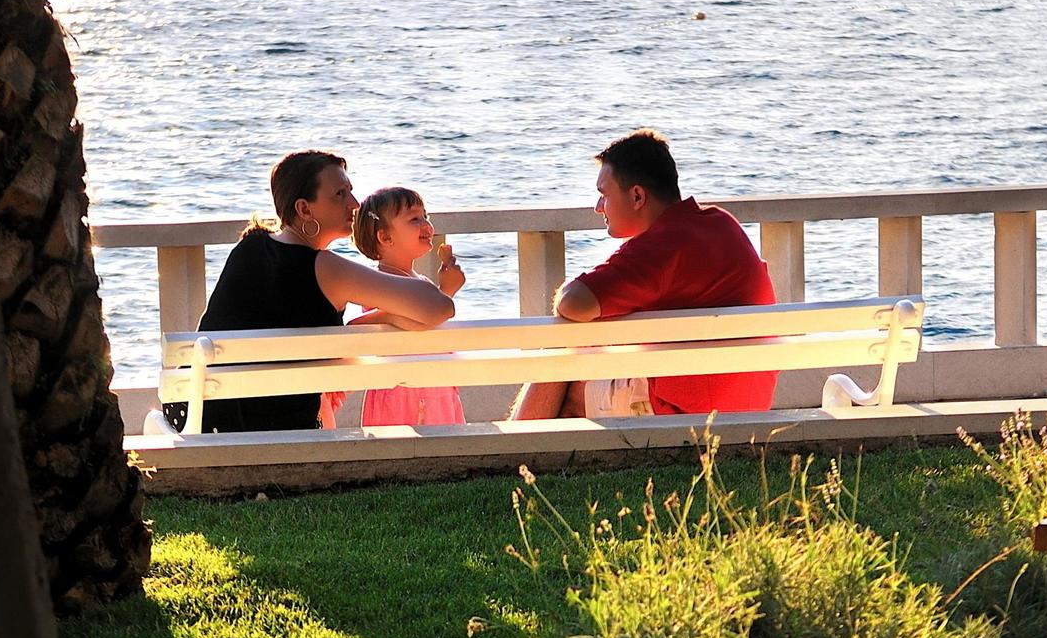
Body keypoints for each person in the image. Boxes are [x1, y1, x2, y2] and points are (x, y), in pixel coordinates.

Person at [510, 129, 778, 423]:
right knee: (590, 355)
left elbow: (574, 303)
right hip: (748, 397)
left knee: (569, 354)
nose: (598, 207)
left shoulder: (663, 244)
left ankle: (515, 450)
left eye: (604, 195)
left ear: (637, 196)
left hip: (694, 409)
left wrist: (563, 292)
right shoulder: (720, 222)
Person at [191, 150, 455, 433]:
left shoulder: (249, 246)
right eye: (340, 195)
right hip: (284, 429)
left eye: (350, 191)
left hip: (200, 413)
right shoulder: (326, 268)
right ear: (305, 210)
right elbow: (440, 307)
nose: (355, 204)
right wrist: (388, 315)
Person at [349, 187, 466, 427]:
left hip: (437, 388)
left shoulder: (421, 283)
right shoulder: (377, 283)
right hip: (400, 392)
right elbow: (414, 326)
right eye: (415, 219)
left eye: (426, 216)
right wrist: (444, 294)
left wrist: (446, 291)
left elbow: (426, 324)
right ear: (385, 237)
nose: (426, 225)